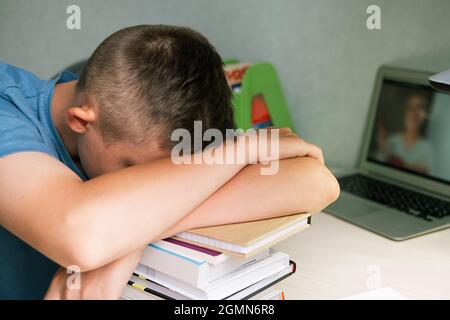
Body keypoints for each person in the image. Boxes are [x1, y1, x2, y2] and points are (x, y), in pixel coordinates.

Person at [0, 25, 339, 300]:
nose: (152, 190)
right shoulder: (7, 115)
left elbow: (315, 180)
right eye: (133, 170)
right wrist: (242, 150)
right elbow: (82, 237)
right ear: (80, 121)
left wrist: (129, 236)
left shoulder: (142, 114)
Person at [376, 94, 434, 175]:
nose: (414, 113)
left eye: (419, 107)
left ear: (424, 115)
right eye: (410, 108)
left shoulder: (427, 148)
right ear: (405, 113)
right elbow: (377, 169)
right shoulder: (392, 139)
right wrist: (383, 147)